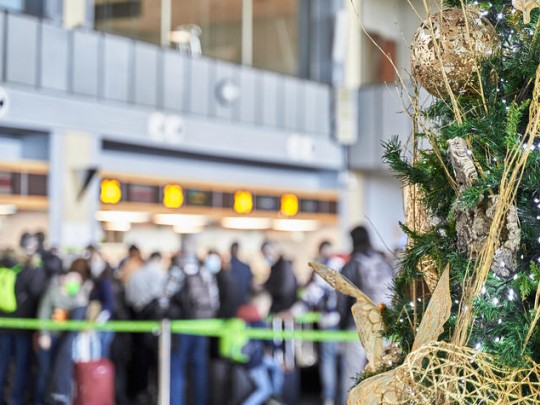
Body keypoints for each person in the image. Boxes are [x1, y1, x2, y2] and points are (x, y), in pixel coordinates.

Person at [337, 226, 394, 405]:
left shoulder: (352, 265)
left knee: (352, 374)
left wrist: (341, 324)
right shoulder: (384, 262)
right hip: (385, 324)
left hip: (357, 327)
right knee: (383, 372)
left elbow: (342, 299)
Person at [165, 235, 219, 405]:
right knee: (199, 370)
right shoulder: (204, 270)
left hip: (181, 326)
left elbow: (164, 296)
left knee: (177, 369)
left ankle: (176, 402)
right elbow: (214, 299)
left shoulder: (177, 269)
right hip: (202, 325)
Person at [35, 257, 91, 405]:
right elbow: (43, 312)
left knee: (59, 372)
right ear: (65, 279)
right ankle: (41, 400)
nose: (74, 285)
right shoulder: (53, 292)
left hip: (63, 339)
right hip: (49, 337)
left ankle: (56, 398)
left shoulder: (78, 296)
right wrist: (44, 334)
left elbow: (81, 312)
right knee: (44, 372)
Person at [0, 248, 46, 405]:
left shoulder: (2, 270)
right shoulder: (29, 272)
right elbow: (36, 291)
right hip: (22, 328)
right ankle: (15, 399)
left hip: (2, 327)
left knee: (1, 365)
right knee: (20, 367)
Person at [302, 241, 344, 405]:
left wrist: (296, 310)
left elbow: (313, 293)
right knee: (343, 360)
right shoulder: (342, 264)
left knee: (328, 360)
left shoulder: (325, 266)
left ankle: (329, 397)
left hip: (328, 320)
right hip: (345, 320)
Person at [87, 245, 116, 358]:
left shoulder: (104, 281)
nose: (93, 263)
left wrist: (98, 322)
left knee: (101, 356)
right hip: (98, 322)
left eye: (96, 260)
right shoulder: (95, 281)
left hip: (103, 324)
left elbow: (109, 303)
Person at [261, 241, 298, 315]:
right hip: (278, 305)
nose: (265, 256)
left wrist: (265, 288)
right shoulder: (275, 267)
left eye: (267, 253)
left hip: (283, 307)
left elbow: (283, 290)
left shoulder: (284, 267)